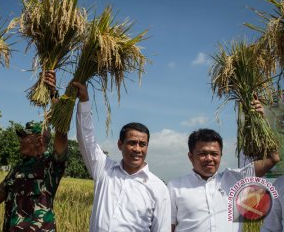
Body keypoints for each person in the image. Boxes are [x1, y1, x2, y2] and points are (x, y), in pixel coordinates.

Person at [0, 70, 68, 231]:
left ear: (39, 140)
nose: (20, 140)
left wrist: (53, 93)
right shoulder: (17, 169)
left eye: (24, 136)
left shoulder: (50, 165)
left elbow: (61, 131)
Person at [167, 100, 280, 232]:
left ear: (221, 155)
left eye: (214, 154)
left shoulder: (235, 179)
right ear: (190, 156)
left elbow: (274, 158)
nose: (209, 158)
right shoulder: (175, 186)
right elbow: (169, 227)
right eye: (203, 153)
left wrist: (261, 120)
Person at [73, 81, 171, 232]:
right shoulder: (104, 170)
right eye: (132, 143)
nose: (137, 149)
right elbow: (86, 139)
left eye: (142, 144)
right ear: (120, 144)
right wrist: (84, 101)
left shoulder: (158, 188)